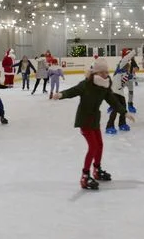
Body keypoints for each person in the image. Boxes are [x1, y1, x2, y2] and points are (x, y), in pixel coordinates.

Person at [52, 58, 134, 189]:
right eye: (102, 72)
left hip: (95, 119)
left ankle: (97, 170)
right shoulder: (87, 84)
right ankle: (85, 176)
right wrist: (61, 94)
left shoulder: (105, 85)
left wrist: (124, 112)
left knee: (99, 145)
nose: (105, 74)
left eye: (106, 72)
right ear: (95, 72)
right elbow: (73, 91)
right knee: (93, 147)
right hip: (85, 120)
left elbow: (113, 101)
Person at [106, 51, 135, 134]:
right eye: (128, 67)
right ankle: (109, 126)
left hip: (120, 93)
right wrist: (133, 52)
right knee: (115, 110)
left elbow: (133, 79)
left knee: (123, 109)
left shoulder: (126, 74)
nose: (129, 68)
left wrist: (135, 78)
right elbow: (125, 59)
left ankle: (122, 124)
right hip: (114, 92)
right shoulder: (119, 70)